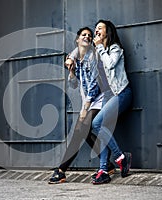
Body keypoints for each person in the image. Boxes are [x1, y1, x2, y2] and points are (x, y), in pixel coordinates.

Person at [48, 27, 115, 184]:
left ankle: (61, 170)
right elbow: (73, 85)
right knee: (84, 132)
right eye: (83, 35)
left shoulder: (93, 57)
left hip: (100, 99)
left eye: (89, 35)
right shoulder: (76, 57)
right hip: (90, 101)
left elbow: (94, 86)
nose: (87, 36)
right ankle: (108, 163)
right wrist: (71, 71)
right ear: (77, 39)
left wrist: (85, 109)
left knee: (80, 131)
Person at [89, 19, 133, 184]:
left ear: (108, 31)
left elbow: (111, 64)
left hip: (122, 93)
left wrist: (99, 46)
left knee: (97, 124)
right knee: (102, 129)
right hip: (109, 96)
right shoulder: (98, 53)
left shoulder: (115, 49)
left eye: (100, 28)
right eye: (96, 29)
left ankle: (121, 157)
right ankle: (103, 170)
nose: (97, 30)